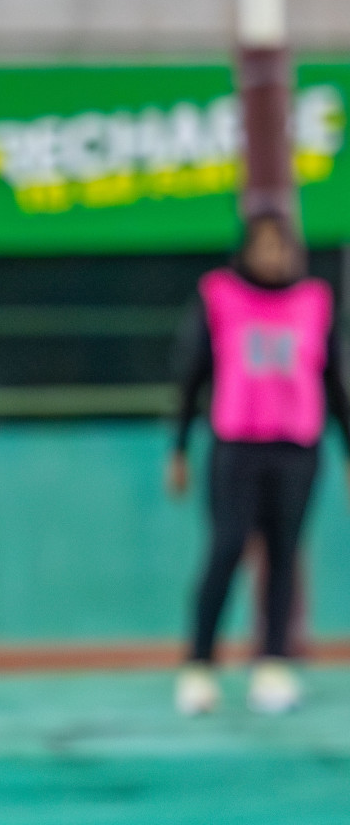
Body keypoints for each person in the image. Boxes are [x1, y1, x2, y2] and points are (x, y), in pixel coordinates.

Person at [168, 211, 349, 716]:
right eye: (263, 246)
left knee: (285, 554)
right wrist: (179, 448)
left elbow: (335, 381)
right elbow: (192, 375)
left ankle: (272, 665)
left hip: (297, 448)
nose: (274, 256)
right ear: (246, 249)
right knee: (226, 550)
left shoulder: (316, 300)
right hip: (237, 447)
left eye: (281, 246)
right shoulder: (219, 295)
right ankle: (199, 666)